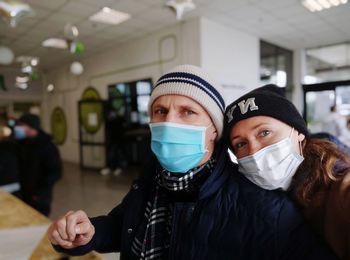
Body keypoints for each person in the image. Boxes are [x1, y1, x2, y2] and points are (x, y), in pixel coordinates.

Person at [48, 65, 337, 260]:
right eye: (160, 111)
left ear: (214, 130)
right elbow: (125, 224)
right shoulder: (152, 177)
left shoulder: (264, 206)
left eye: (187, 112)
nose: (169, 121)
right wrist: (91, 234)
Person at [225, 84, 350, 260]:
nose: (254, 152)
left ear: (298, 132)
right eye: (241, 144)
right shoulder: (254, 199)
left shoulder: (340, 186)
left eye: (265, 132)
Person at [14, 113, 62, 216]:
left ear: (31, 127)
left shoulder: (47, 146)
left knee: (39, 222)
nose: (17, 128)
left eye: (21, 125)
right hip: (24, 193)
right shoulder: (21, 143)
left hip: (39, 197)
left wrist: (40, 192)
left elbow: (56, 172)